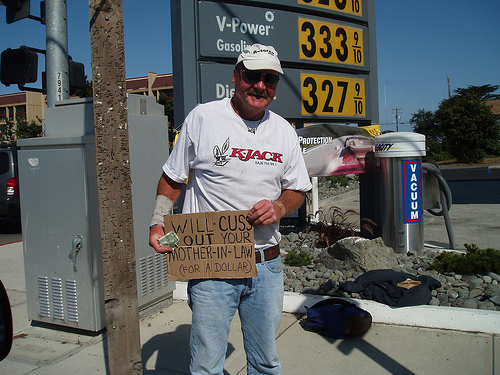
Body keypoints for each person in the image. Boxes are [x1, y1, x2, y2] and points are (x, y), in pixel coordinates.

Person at [149, 43, 312, 375]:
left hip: (266, 265)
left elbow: (298, 189)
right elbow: (173, 177)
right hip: (212, 265)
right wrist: (157, 222)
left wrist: (280, 206)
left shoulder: (284, 130)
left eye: (270, 78)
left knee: (266, 362)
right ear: (237, 77)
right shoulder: (203, 117)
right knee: (207, 365)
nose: (260, 86)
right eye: (252, 76)